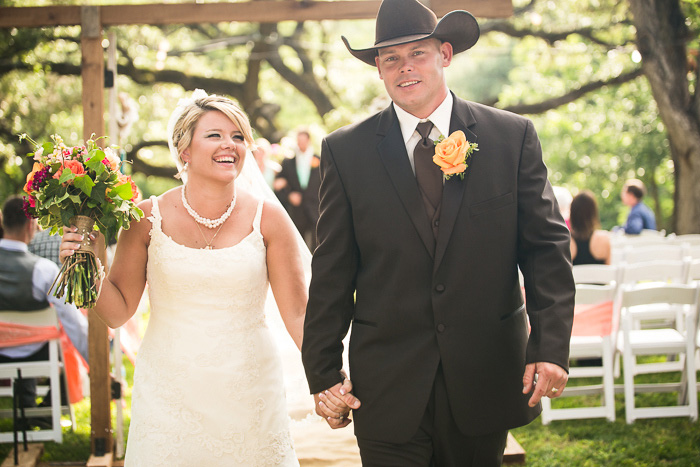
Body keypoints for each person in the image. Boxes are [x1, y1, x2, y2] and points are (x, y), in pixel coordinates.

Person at [301, 1, 575, 465]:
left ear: (445, 54)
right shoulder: (345, 152)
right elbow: (332, 269)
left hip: (484, 372)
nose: (405, 68)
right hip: (386, 385)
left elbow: (546, 250)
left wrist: (550, 347)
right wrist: (323, 371)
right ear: (378, 70)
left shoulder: (512, 138)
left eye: (418, 53)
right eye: (391, 58)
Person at [59, 91, 352, 466]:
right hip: (169, 394)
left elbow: (297, 315)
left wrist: (329, 380)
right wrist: (86, 266)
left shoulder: (270, 219)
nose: (229, 144)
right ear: (184, 150)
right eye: (215, 135)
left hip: (249, 391)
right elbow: (117, 313)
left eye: (237, 136)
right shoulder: (145, 219)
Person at [0, 196, 89, 410]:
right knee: (62, 342)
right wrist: (95, 361)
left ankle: (28, 408)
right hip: (36, 351)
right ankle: (45, 409)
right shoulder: (43, 269)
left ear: (3, 223)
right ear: (31, 225)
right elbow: (71, 319)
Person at [274, 129, 321, 250]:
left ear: (309, 141)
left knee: (318, 242)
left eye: (303, 141)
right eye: (299, 141)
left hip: (316, 208)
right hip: (297, 209)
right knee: (299, 243)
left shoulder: (320, 160)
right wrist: (289, 195)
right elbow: (279, 184)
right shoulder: (288, 163)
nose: (301, 144)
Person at [570, 190, 611, 265]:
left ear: (572, 212)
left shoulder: (567, 242)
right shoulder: (604, 239)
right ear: (593, 212)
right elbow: (609, 271)